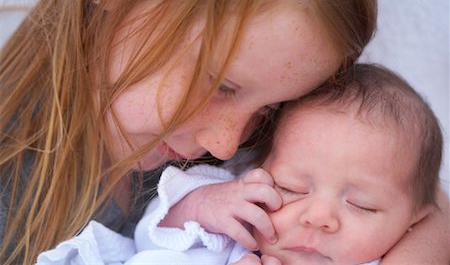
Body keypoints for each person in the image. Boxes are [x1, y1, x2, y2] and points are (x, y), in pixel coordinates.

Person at [0, 0, 447, 264]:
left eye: (271, 109)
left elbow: (421, 201)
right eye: (222, 87)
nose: (228, 145)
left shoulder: (271, 136)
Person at [36, 63, 445, 265]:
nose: (319, 217)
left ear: (414, 221)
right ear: (259, 167)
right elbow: (149, 237)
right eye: (291, 188)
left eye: (362, 205)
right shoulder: (235, 216)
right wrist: (199, 208)